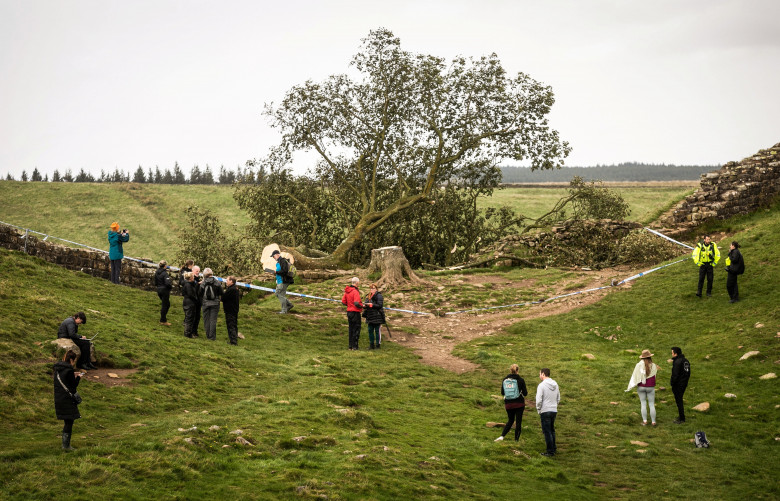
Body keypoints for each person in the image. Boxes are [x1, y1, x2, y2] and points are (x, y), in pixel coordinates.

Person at [53, 350, 84, 451]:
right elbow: (73, 386)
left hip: (59, 398)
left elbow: (64, 379)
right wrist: (78, 377)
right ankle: (66, 446)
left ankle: (65, 445)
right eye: (74, 361)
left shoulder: (58, 369)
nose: (74, 363)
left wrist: (72, 375)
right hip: (67, 399)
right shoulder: (69, 370)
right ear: (71, 360)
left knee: (67, 421)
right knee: (69, 421)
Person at [495, 364, 528, 442]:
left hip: (508, 404)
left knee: (510, 420)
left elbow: (503, 393)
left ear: (510, 370)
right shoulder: (520, 380)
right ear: (517, 371)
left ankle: (502, 436)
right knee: (518, 422)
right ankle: (516, 440)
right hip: (519, 404)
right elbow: (525, 393)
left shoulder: (505, 380)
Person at [625, 350, 658, 426]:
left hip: (641, 386)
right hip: (650, 387)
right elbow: (654, 376)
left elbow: (635, 376)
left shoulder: (638, 365)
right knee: (651, 404)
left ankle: (645, 421)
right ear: (650, 356)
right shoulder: (654, 365)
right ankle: (653, 422)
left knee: (643, 404)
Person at [536, 367, 560, 457]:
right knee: (552, 430)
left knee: (547, 431)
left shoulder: (541, 385)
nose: (539, 376)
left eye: (540, 374)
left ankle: (550, 451)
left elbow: (539, 400)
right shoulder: (556, 384)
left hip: (545, 410)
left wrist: (539, 409)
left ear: (543, 374)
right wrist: (554, 405)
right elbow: (558, 397)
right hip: (554, 410)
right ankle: (553, 448)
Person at [198, 268, 223, 341]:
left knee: (206, 319)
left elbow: (200, 293)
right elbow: (221, 292)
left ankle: (207, 335)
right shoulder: (217, 282)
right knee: (213, 320)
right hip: (215, 304)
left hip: (205, 303)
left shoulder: (203, 282)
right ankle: (212, 337)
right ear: (212, 274)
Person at [341, 277, 363, 350]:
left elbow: (343, 302)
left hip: (349, 312)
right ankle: (355, 346)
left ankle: (350, 346)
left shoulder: (347, 291)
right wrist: (362, 306)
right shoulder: (355, 291)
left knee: (351, 329)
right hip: (355, 312)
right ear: (357, 283)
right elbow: (356, 303)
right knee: (356, 329)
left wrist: (349, 305)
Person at [670, 347, 691, 424]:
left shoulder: (677, 362)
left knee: (679, 401)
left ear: (675, 353)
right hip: (684, 384)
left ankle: (682, 418)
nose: (671, 354)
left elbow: (675, 375)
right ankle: (681, 416)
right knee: (680, 400)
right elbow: (688, 373)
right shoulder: (686, 361)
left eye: (672, 353)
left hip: (678, 385)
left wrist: (672, 383)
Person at [363, 283, 385, 349]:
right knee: (370, 330)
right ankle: (371, 345)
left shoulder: (379, 296)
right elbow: (366, 304)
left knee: (377, 331)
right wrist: (364, 306)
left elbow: (380, 305)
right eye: (371, 288)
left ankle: (378, 345)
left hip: (377, 315)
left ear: (376, 289)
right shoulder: (368, 296)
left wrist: (371, 305)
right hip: (370, 316)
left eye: (373, 288)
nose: (372, 289)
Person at [222, 276, 240, 345]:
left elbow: (223, 298)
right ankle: (234, 338)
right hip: (234, 310)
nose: (226, 282)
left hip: (230, 310)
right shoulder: (235, 288)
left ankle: (233, 341)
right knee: (234, 324)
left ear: (231, 281)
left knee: (231, 325)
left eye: (227, 280)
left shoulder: (231, 290)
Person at [154, 260, 173, 326]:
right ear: (165, 266)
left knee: (166, 304)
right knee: (165, 305)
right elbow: (167, 283)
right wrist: (170, 287)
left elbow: (155, 282)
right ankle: (163, 320)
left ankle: (163, 317)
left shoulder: (156, 272)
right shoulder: (165, 274)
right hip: (164, 290)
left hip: (159, 289)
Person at [182, 272, 199, 338]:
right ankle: (187, 334)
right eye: (193, 277)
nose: (194, 277)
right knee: (190, 318)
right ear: (190, 278)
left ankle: (188, 333)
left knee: (188, 317)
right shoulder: (188, 285)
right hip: (190, 303)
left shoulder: (186, 284)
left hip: (186, 302)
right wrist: (195, 299)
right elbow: (190, 294)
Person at [191, 265, 202, 335]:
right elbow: (193, 289)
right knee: (193, 316)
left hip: (199, 300)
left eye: (199, 271)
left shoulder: (198, 278)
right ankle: (191, 331)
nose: (198, 272)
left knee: (198, 316)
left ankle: (195, 331)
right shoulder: (191, 278)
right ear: (193, 271)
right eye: (196, 271)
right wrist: (198, 284)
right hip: (193, 300)